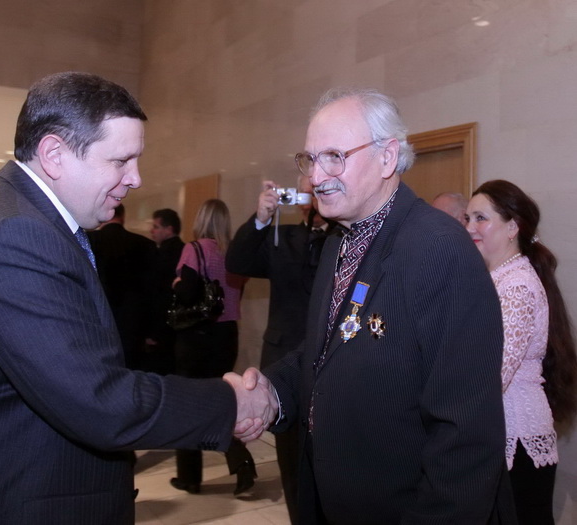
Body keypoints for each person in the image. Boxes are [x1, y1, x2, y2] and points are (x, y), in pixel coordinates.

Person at [0, 72, 276, 524]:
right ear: (54, 154)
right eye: (121, 160)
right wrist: (231, 402)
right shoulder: (14, 235)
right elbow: (97, 401)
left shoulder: (11, 218)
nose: (135, 179)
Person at [234, 87, 515, 524]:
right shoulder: (338, 242)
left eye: (334, 157)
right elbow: (326, 351)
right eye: (310, 159)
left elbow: (465, 434)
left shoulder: (438, 249)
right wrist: (272, 392)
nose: (316, 177)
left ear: (387, 157)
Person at [466, 180, 577, 524]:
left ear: (512, 227)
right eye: (467, 218)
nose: (470, 228)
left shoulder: (516, 286)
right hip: (502, 435)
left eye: (481, 218)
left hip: (517, 436)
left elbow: (492, 374)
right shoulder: (497, 279)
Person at [225, 175, 331, 523]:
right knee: (292, 459)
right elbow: (237, 263)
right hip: (285, 362)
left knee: (332, 459)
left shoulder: (346, 235)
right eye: (308, 191)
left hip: (333, 361)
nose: (314, 195)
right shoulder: (280, 237)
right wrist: (261, 218)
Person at [170, 199, 256, 496]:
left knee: (188, 405)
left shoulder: (193, 249)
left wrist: (176, 282)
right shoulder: (234, 253)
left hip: (197, 336)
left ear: (201, 220)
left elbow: (187, 292)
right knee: (222, 402)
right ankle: (242, 464)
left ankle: (189, 477)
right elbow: (237, 292)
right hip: (227, 334)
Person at [88, 203, 157, 369]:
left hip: (98, 320)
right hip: (135, 322)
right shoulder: (145, 245)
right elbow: (153, 291)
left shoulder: (90, 241)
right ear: (123, 216)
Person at [143, 208, 185, 375]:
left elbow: (156, 295)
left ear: (169, 229)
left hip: (161, 324)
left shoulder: (160, 254)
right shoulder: (186, 250)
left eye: (156, 226)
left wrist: (151, 331)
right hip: (181, 325)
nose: (152, 231)